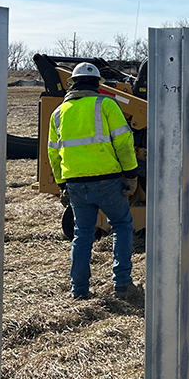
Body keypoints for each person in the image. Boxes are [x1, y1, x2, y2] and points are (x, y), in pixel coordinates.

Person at [48, 62, 143, 301]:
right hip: (108, 181)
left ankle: (79, 290)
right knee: (121, 226)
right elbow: (123, 144)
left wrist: (62, 185)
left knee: (83, 233)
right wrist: (131, 175)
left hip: (75, 184)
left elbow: (53, 153)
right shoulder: (106, 104)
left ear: (72, 84)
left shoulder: (58, 113)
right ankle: (122, 284)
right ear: (97, 84)